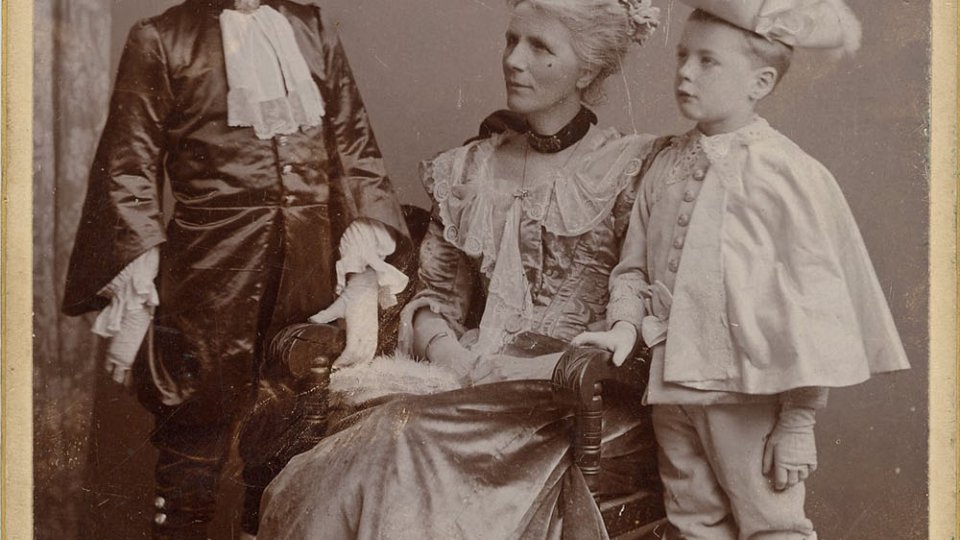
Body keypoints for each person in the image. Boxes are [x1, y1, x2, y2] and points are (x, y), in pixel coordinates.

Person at [256, 1, 663, 538]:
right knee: (378, 441)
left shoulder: (630, 169)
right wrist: (451, 353)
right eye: (511, 40)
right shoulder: (469, 169)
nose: (513, 60)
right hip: (466, 377)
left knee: (402, 441)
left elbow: (630, 316)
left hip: (569, 396)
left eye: (540, 47)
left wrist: (522, 370)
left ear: (586, 70)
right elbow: (436, 296)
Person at [61, 0, 410, 538]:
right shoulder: (162, 38)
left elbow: (355, 148)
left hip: (308, 279)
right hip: (207, 284)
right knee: (191, 467)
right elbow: (127, 168)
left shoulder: (311, 29)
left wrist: (362, 264)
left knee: (287, 462)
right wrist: (138, 278)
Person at [573, 1, 911, 538]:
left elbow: (813, 307)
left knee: (773, 525)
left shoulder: (785, 173)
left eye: (708, 61)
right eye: (683, 56)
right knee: (693, 523)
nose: (684, 72)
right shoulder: (663, 164)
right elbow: (631, 267)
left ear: (760, 81)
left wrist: (798, 420)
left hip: (748, 395)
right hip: (671, 388)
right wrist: (622, 325)